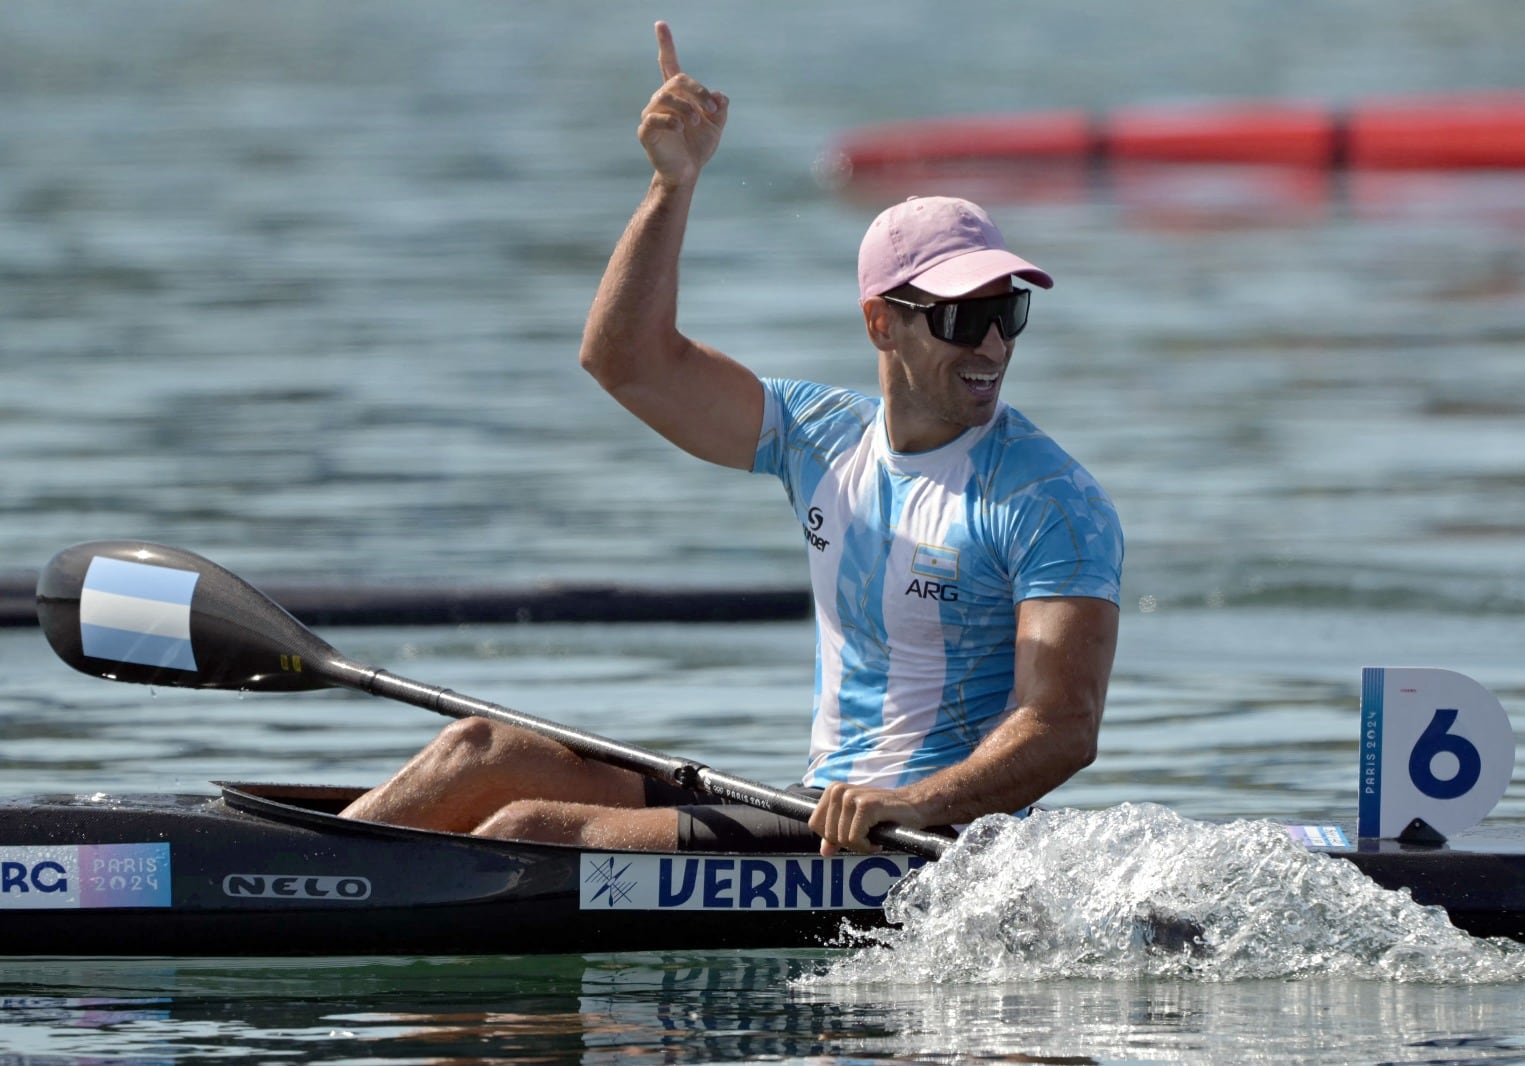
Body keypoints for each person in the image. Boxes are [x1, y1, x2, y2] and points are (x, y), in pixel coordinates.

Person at [340, 22, 1122, 857]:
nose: (994, 346)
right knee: (479, 753)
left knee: (532, 831)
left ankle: (314, 913)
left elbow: (1061, 725)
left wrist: (916, 802)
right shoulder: (821, 437)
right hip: (821, 808)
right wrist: (671, 186)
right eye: (965, 318)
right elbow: (626, 362)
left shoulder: (1049, 501)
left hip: (932, 839)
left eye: (1009, 314)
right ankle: (300, 875)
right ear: (881, 324)